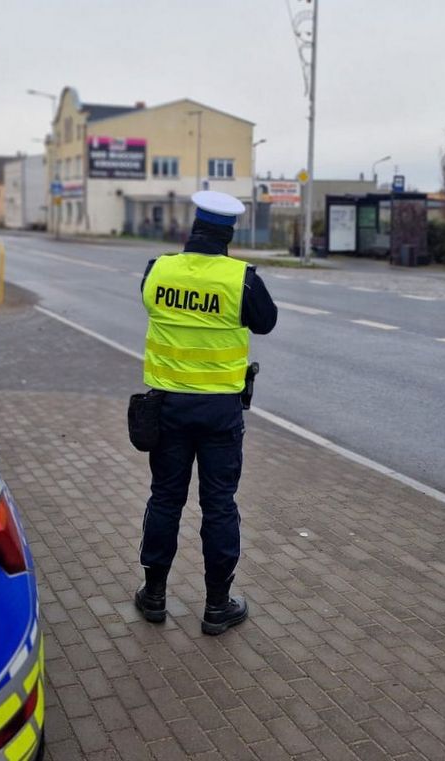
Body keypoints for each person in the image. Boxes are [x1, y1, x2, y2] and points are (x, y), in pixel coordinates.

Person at [135, 190, 278, 635]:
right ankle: (218, 605)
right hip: (219, 412)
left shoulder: (157, 270)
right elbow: (266, 321)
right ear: (229, 233)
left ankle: (154, 595)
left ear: (191, 228)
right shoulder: (242, 280)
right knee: (218, 505)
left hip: (167, 407)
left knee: (165, 499)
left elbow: (149, 301)